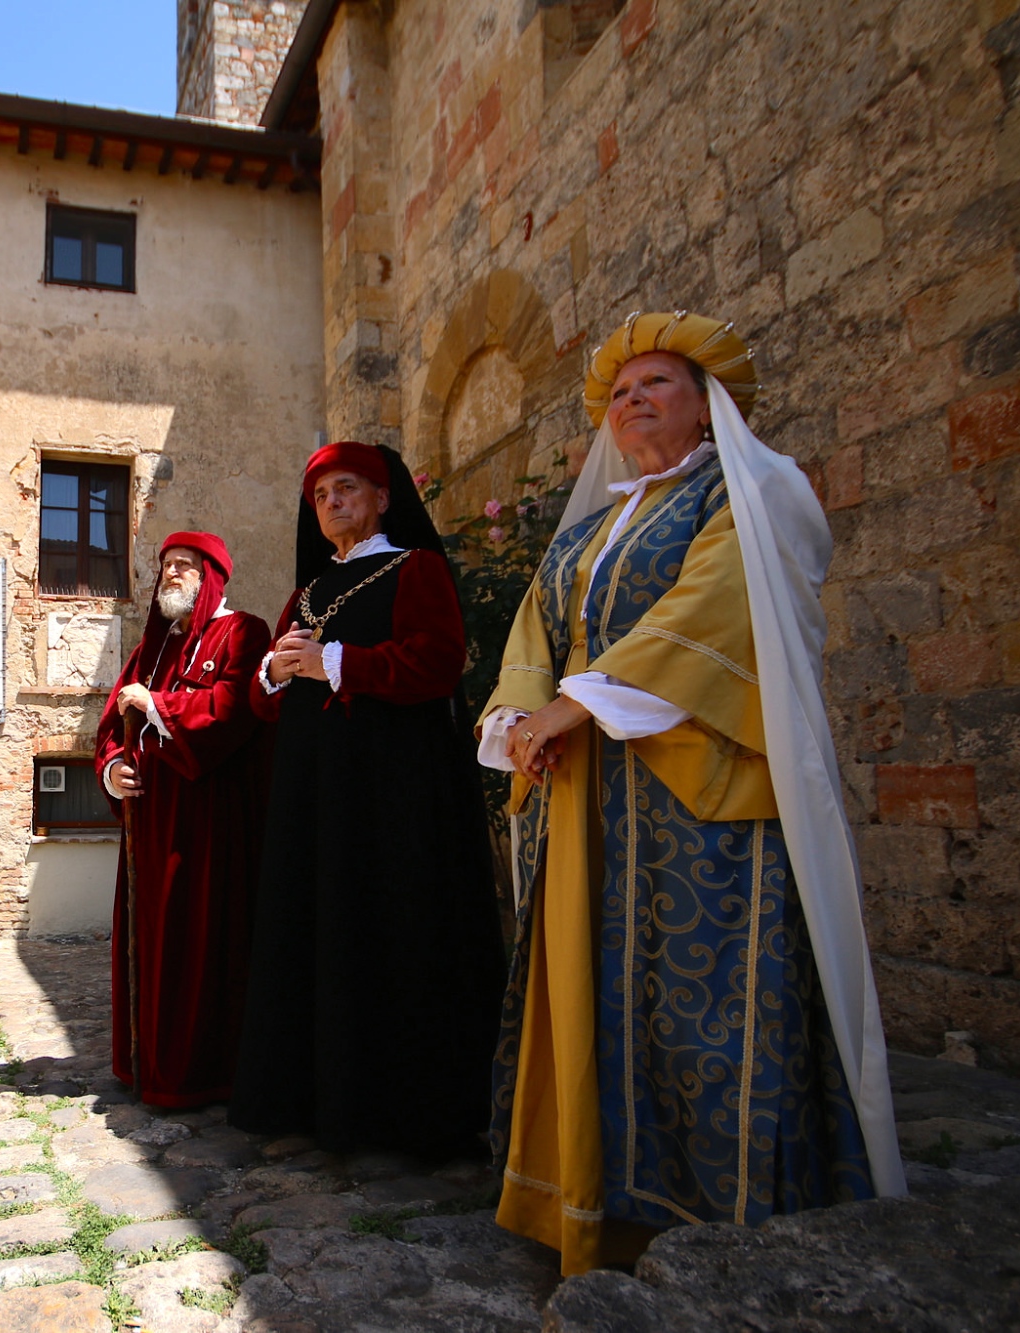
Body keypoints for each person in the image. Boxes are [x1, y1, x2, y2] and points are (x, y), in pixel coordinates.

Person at [477, 310, 906, 1276]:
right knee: (596, 1001)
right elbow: (534, 637)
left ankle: (731, 1222)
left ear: (707, 404)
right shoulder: (593, 524)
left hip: (697, 798)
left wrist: (571, 711)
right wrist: (518, 719)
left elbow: (717, 611)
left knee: (700, 1006)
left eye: (656, 384)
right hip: (587, 798)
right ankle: (594, 1206)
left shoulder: (756, 492)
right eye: (622, 391)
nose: (632, 400)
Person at [229, 442, 505, 1157]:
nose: (332, 503)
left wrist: (333, 662)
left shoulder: (417, 568)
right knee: (311, 933)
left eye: (346, 489)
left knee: (388, 929)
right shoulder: (309, 591)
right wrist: (274, 670)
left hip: (390, 795)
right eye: (320, 496)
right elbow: (265, 703)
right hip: (311, 798)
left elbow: (438, 661)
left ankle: (399, 1116)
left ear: (383, 497)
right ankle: (310, 1104)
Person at [94, 532, 273, 1108]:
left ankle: (200, 1072)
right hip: (147, 824)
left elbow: (232, 710)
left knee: (200, 944)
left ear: (211, 575)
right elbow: (110, 724)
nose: (171, 575)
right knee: (150, 941)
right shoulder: (152, 648)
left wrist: (159, 706)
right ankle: (145, 1061)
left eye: (185, 566)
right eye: (167, 565)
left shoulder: (243, 630)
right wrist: (112, 769)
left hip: (208, 824)